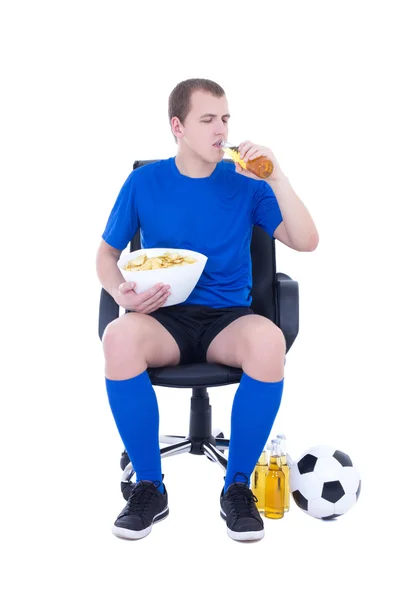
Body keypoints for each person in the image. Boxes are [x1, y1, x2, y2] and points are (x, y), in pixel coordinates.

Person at [96, 78, 319, 542]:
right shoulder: (143, 181)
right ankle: (149, 487)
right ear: (178, 127)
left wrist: (277, 177)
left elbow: (306, 241)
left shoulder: (247, 183)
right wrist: (122, 292)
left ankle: (237, 486)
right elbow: (105, 255)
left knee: (268, 340)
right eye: (208, 119)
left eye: (225, 119)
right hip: (162, 316)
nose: (221, 129)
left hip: (226, 320)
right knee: (118, 338)